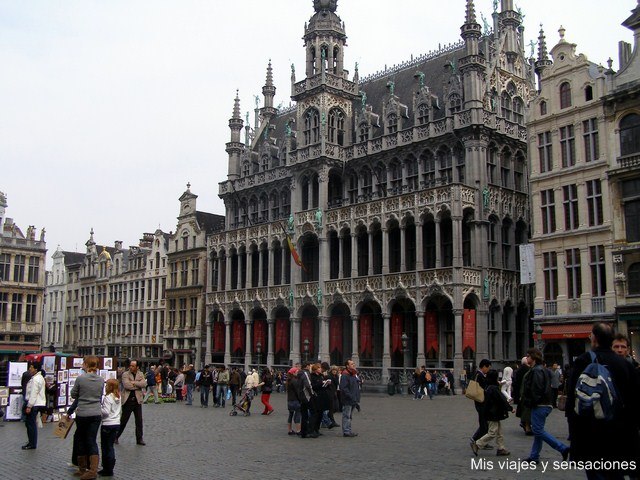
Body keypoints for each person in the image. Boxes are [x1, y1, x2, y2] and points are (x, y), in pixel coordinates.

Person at [565, 323, 640, 479]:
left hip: (590, 432)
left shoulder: (583, 361)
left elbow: (573, 400)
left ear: (594, 338)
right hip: (619, 432)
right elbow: (634, 401)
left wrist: (574, 434)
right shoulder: (626, 365)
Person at [521, 348, 569, 464]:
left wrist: (531, 401)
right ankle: (534, 456)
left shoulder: (536, 371)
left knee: (537, 431)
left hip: (540, 404)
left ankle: (562, 448)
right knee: (538, 431)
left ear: (533, 358)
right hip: (545, 403)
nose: (526, 358)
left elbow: (536, 389)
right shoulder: (542, 369)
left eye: (528, 356)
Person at [70, 356, 105, 479]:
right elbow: (100, 395)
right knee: (92, 440)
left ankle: (82, 468)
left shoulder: (81, 379)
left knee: (81, 439)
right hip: (96, 413)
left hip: (83, 412)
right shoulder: (101, 380)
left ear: (86, 364)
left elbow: (73, 394)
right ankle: (93, 469)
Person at [471, 370, 514, 456]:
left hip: (492, 413)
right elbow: (501, 400)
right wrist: (510, 408)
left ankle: (501, 448)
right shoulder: (493, 389)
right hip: (493, 414)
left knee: (499, 432)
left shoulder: (488, 387)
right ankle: (477, 444)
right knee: (493, 432)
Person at [117, 360, 147, 446]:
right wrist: (137, 385)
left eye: (133, 366)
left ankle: (139, 439)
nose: (131, 367)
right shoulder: (125, 374)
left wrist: (134, 383)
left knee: (139, 420)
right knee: (124, 420)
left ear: (137, 367)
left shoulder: (140, 374)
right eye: (130, 365)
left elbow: (144, 384)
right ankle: (116, 436)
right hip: (128, 400)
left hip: (137, 400)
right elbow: (127, 385)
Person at [99, 378, 121, 477]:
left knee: (105, 447)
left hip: (107, 424)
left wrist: (100, 409)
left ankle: (107, 468)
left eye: (107, 385)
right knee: (110, 446)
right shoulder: (118, 396)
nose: (105, 387)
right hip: (116, 423)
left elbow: (106, 412)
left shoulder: (108, 397)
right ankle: (110, 467)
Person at [22, 360, 45, 450]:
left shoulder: (36, 379)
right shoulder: (38, 377)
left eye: (31, 367)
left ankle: (32, 443)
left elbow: (33, 393)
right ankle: (31, 441)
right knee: (30, 424)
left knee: (31, 424)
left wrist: (29, 405)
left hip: (34, 404)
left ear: (35, 369)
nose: (29, 369)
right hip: (36, 403)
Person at [470, 359, 492, 447]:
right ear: (483, 367)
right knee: (483, 423)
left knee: (484, 423)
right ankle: (476, 439)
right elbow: (482, 388)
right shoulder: (479, 375)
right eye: (488, 368)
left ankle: (482, 441)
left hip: (480, 401)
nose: (488, 370)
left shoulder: (479, 375)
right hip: (480, 401)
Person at [339, 358, 360, 438]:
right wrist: (350, 396)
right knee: (346, 415)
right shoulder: (345, 375)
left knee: (350, 416)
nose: (353, 365)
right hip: (348, 399)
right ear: (347, 366)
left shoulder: (353, 374)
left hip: (353, 398)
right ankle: (346, 431)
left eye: (353, 364)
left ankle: (348, 430)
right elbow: (344, 388)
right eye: (351, 364)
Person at [512, 356, 532, 435]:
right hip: (526, 392)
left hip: (520, 392)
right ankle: (527, 425)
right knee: (527, 410)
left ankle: (525, 423)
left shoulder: (518, 370)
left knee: (524, 408)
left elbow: (515, 380)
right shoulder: (529, 370)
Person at [297, 361, 315, 438]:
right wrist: (312, 394)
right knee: (313, 413)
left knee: (304, 414)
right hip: (307, 396)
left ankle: (303, 432)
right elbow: (308, 385)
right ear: (307, 366)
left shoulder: (300, 373)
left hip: (301, 396)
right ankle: (310, 431)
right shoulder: (305, 373)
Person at [285, 367, 301, 435]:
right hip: (295, 400)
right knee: (297, 415)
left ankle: (290, 430)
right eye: (297, 372)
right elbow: (298, 392)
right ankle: (298, 430)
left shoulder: (289, 380)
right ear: (294, 373)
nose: (298, 373)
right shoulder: (295, 381)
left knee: (290, 415)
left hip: (289, 400)